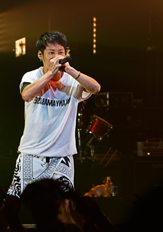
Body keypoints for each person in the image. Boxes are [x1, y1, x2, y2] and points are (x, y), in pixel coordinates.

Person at [8, 31, 100, 197]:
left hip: (62, 157)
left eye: (60, 52)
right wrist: (50, 73)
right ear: (40, 55)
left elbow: (95, 88)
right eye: (51, 52)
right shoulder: (32, 76)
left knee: (64, 205)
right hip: (32, 155)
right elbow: (26, 95)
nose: (56, 57)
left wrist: (71, 70)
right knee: (19, 202)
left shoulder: (72, 80)